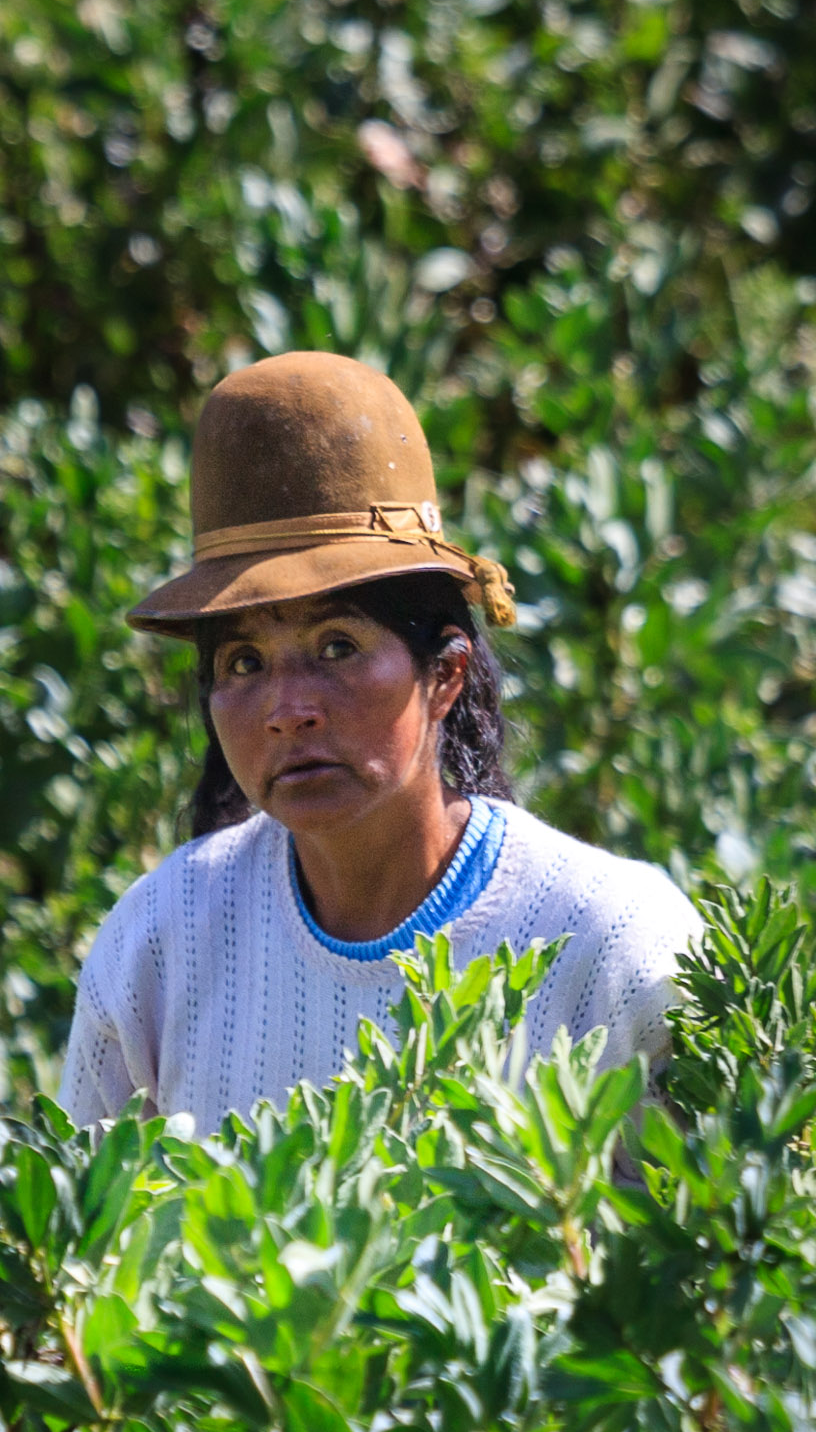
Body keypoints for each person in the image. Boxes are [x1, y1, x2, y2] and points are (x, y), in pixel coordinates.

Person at [58, 350, 702, 1135]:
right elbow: (81, 1242)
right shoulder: (158, 944)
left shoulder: (611, 941)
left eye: (338, 647)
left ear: (445, 675)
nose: (288, 710)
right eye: (244, 661)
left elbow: (695, 1242)